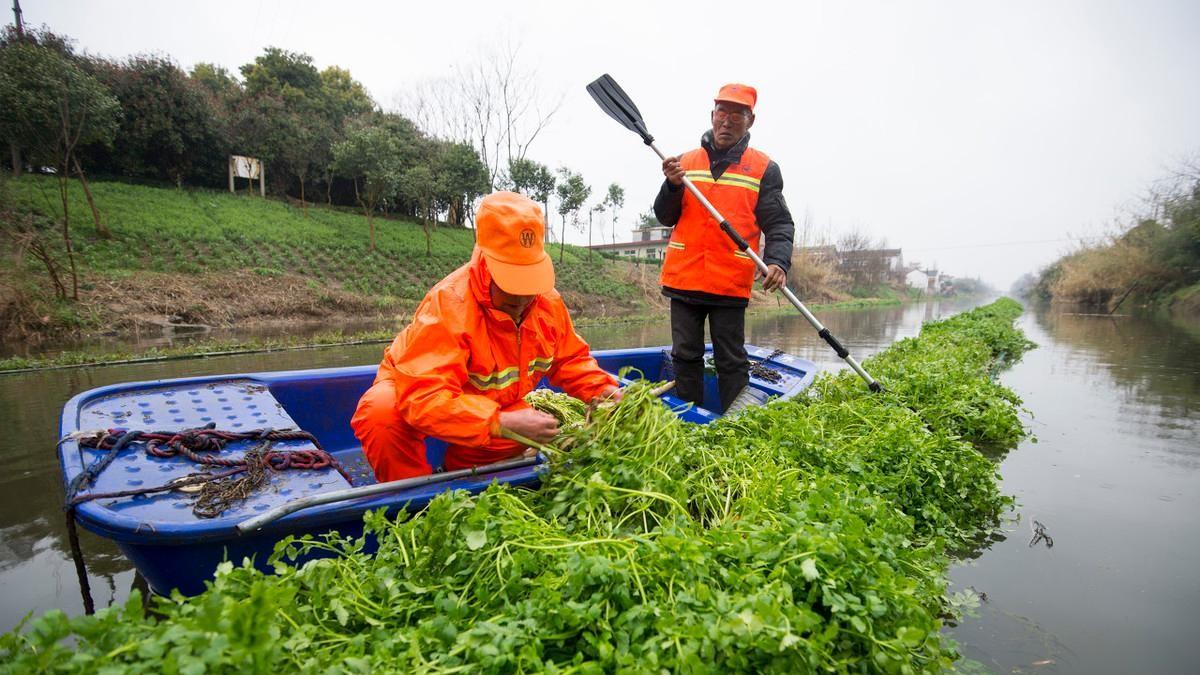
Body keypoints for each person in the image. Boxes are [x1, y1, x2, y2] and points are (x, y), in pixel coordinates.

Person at [351, 191, 621, 481]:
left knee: (525, 428)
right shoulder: (449, 304)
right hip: (416, 389)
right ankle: (413, 494)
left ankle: (461, 476)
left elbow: (570, 360)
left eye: (529, 283)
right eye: (511, 285)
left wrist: (605, 391)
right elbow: (424, 397)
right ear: (486, 265)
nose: (521, 300)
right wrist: (499, 422)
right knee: (381, 413)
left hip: (488, 403)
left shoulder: (547, 303)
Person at [653, 83, 795, 412]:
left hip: (728, 282)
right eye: (722, 113)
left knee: (730, 359)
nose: (727, 121)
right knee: (684, 355)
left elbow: (779, 223)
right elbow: (664, 216)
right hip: (684, 279)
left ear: (750, 121)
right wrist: (671, 186)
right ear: (712, 115)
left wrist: (778, 262)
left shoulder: (764, 168)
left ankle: (735, 425)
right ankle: (688, 419)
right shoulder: (684, 163)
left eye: (737, 115)